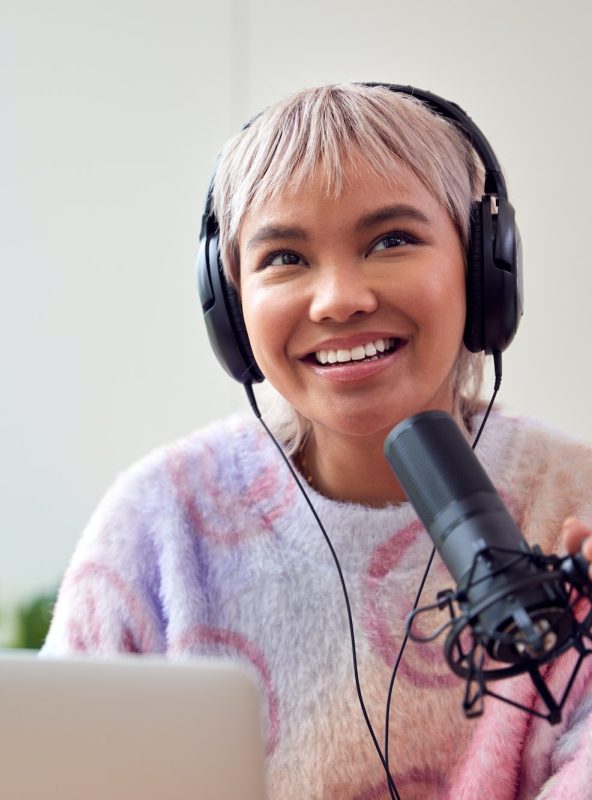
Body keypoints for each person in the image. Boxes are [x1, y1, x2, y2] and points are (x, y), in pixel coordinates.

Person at [42, 84, 592, 799]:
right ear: (230, 306)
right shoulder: (160, 521)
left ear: (485, 269)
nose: (338, 298)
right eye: (284, 258)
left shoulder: (573, 506)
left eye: (391, 241)